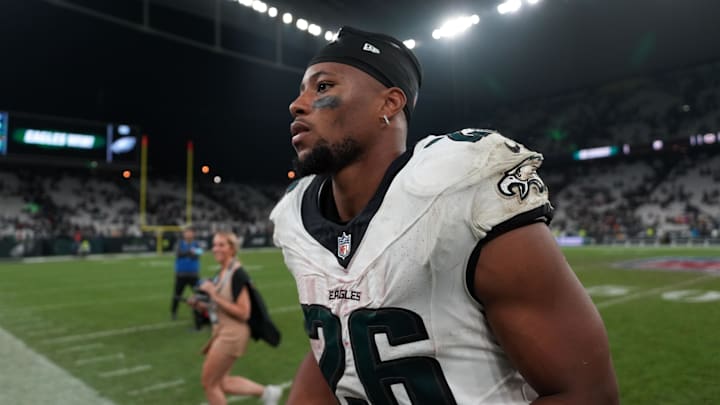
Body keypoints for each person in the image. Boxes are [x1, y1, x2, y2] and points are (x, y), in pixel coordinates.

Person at [270, 26, 619, 404]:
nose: (297, 104)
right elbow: (335, 345)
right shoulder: (297, 215)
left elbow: (587, 392)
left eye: (322, 88)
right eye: (301, 90)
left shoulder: (459, 186)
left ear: (388, 104)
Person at [192, 231, 282, 405]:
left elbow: (243, 312)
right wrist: (203, 305)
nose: (215, 249)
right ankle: (268, 393)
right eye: (214, 244)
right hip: (223, 331)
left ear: (232, 249)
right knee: (222, 382)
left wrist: (213, 294)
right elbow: (221, 305)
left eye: (221, 245)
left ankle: (268, 393)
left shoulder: (237, 273)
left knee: (209, 384)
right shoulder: (223, 272)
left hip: (232, 334)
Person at [171, 227, 204, 329]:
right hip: (181, 274)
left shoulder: (197, 244)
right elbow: (178, 254)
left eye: (190, 232)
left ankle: (201, 314)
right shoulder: (179, 243)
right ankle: (174, 312)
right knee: (177, 294)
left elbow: (198, 254)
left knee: (199, 295)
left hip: (193, 274)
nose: (188, 234)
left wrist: (189, 253)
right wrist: (191, 252)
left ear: (193, 234)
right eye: (187, 232)